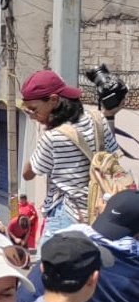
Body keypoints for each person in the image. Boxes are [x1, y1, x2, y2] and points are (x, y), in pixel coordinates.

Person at [20, 70, 120, 242]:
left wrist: (44, 134)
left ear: (53, 100)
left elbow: (28, 174)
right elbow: (112, 156)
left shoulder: (53, 137)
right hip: (99, 213)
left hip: (67, 215)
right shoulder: (97, 118)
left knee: (48, 259)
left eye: (34, 110)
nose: (33, 116)